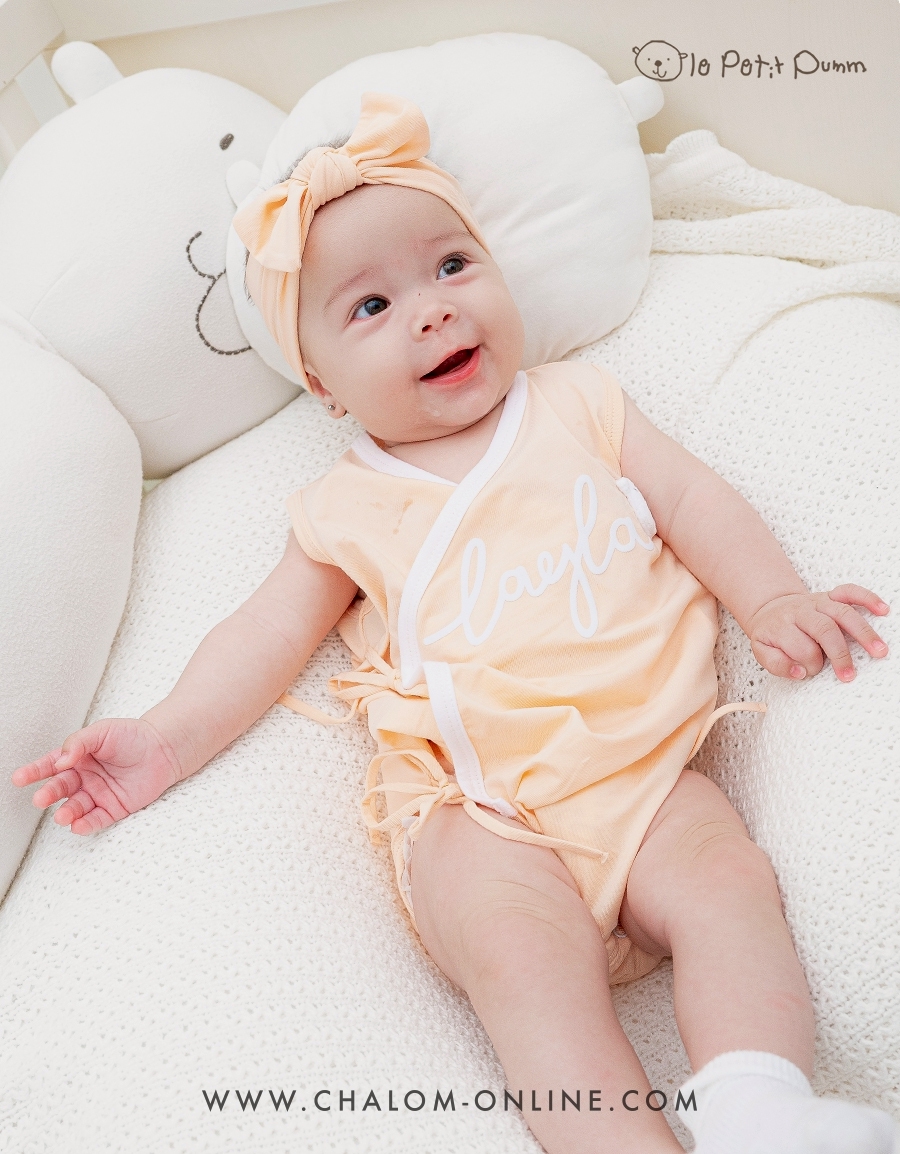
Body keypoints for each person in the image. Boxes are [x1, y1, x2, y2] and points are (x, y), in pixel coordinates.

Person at [13, 94, 897, 1154]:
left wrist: (772, 598)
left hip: (648, 774)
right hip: (478, 808)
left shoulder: (582, 405)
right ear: (324, 387)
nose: (431, 312)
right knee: (525, 968)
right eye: (370, 306)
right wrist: (164, 738)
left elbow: (697, 502)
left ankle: (761, 1108)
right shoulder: (344, 506)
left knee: (729, 883)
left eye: (450, 266)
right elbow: (261, 637)